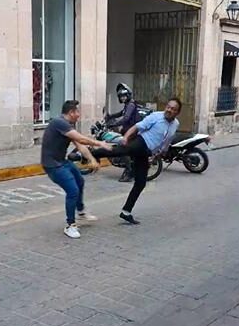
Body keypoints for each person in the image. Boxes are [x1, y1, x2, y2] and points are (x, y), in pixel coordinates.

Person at [90, 97, 182, 225]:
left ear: (177, 112)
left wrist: (157, 155)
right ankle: (90, 153)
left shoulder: (175, 124)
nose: (169, 110)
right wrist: (126, 138)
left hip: (147, 152)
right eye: (168, 107)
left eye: (173, 109)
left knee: (141, 182)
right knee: (120, 150)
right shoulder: (156, 116)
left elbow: (166, 141)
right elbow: (137, 126)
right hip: (140, 142)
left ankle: (126, 212)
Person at [41, 100, 114, 238]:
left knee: (80, 181)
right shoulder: (59, 123)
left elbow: (80, 145)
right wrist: (100, 143)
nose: (79, 115)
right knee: (73, 190)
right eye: (77, 112)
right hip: (52, 165)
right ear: (71, 113)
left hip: (62, 161)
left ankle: (81, 212)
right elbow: (82, 138)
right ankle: (70, 225)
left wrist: (92, 159)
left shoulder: (68, 125)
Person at [107, 83, 139, 182]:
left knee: (122, 148)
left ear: (128, 95)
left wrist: (114, 124)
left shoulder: (131, 105)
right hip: (128, 130)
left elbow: (126, 118)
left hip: (132, 132)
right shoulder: (127, 105)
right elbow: (121, 113)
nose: (123, 98)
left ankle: (129, 171)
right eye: (121, 97)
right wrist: (110, 116)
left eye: (124, 96)